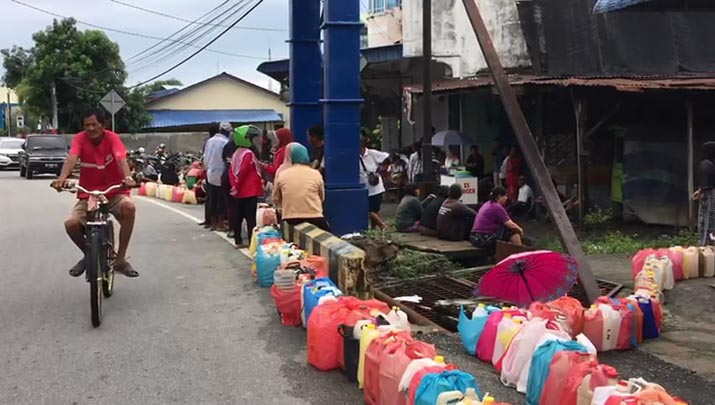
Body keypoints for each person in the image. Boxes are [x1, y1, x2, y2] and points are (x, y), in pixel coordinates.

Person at [51, 108, 139, 278]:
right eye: (87, 125)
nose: (90, 128)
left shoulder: (113, 138)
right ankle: (88, 254)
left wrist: (127, 177)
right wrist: (62, 179)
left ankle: (120, 259)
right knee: (71, 224)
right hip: (88, 194)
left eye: (94, 124)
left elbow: (121, 158)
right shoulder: (79, 139)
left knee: (129, 207)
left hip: (113, 192)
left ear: (103, 124)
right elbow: (72, 157)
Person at [273, 143, 329, 231]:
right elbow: (321, 197)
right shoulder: (316, 174)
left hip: (290, 219)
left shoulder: (282, 174)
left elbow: (275, 198)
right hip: (315, 217)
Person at [229, 126, 264, 247]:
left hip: (238, 191)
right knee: (250, 219)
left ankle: (238, 240)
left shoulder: (236, 154)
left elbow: (232, 172)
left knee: (238, 216)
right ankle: (251, 242)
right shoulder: (248, 154)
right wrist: (238, 186)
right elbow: (243, 171)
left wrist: (235, 186)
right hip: (249, 190)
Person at [471, 186, 524, 254]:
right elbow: (510, 225)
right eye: (505, 196)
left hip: (475, 237)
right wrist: (520, 230)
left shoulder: (487, 204)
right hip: (483, 238)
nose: (506, 198)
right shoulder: (496, 207)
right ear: (499, 196)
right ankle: (520, 255)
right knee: (512, 232)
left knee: (505, 231)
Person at [203, 122, 231, 231]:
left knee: (212, 199)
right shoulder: (225, 142)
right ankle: (220, 224)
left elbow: (205, 158)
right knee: (221, 200)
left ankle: (213, 224)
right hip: (221, 173)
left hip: (210, 172)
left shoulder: (209, 141)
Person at [359, 137, 391, 230]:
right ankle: (382, 225)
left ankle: (374, 228)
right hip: (364, 188)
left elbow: (387, 157)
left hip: (376, 187)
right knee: (367, 210)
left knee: (375, 210)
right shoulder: (354, 156)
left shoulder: (372, 153)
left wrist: (383, 168)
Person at [694, 142, 715, 245]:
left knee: (706, 220)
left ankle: (705, 242)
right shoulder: (707, 164)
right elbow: (707, 183)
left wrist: (699, 190)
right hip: (709, 195)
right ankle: (705, 243)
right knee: (708, 219)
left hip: (707, 194)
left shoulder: (707, 163)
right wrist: (701, 190)